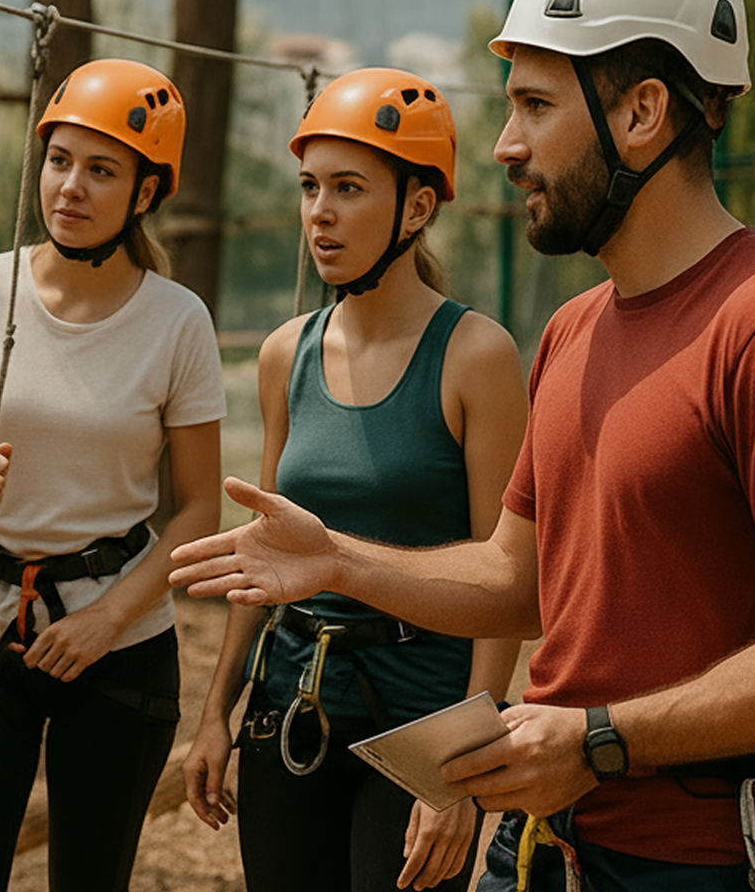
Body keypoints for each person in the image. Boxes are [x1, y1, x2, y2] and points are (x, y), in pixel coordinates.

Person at [171, 0, 755, 891]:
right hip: (543, 847)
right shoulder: (574, 330)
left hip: (703, 863)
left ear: (643, 112)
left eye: (535, 105)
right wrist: (339, 561)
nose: (506, 147)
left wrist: (600, 741)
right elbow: (521, 582)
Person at [181, 67, 529, 891]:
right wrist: (215, 715)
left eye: (348, 188)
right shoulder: (285, 354)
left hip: (422, 724)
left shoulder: (477, 356)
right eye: (310, 187)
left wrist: (464, 765)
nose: (319, 212)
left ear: (417, 206)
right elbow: (264, 556)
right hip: (290, 706)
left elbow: (505, 582)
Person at [0, 58, 226, 892]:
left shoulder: (177, 321)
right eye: (59, 161)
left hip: (120, 644)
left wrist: (106, 620)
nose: (71, 187)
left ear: (146, 191)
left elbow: (199, 507)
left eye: (101, 170)